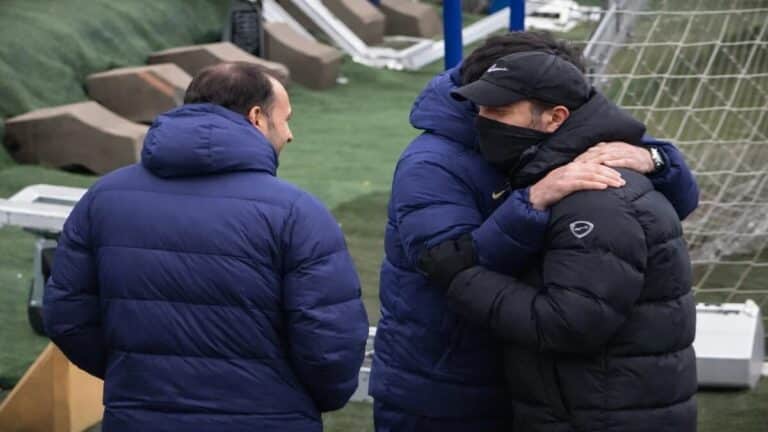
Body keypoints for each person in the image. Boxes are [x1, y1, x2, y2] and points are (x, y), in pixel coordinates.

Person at [369, 32, 699, 431]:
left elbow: (672, 204)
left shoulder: (557, 123)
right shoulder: (431, 164)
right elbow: (446, 265)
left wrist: (657, 158)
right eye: (490, 105)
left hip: (528, 381)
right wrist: (529, 204)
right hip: (444, 385)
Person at [42, 62, 369, 432]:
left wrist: (134, 375)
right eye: (286, 119)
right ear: (257, 117)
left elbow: (68, 314)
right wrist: (298, 400)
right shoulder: (298, 212)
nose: (290, 134)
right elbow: (330, 343)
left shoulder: (102, 198)